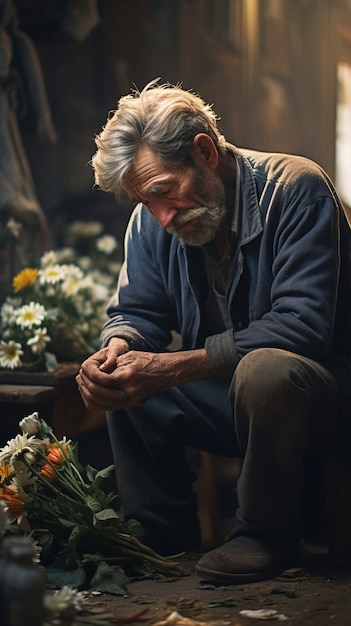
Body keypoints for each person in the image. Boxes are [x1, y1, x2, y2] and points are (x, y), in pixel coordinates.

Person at [76, 79, 351, 584]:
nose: (162, 217)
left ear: (204, 150)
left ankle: (262, 536)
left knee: (266, 370)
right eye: (147, 202)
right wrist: (117, 349)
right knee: (127, 380)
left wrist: (174, 365)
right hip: (230, 400)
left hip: (320, 402)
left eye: (164, 192)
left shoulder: (295, 190)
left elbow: (303, 327)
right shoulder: (153, 221)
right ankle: (158, 534)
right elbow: (138, 313)